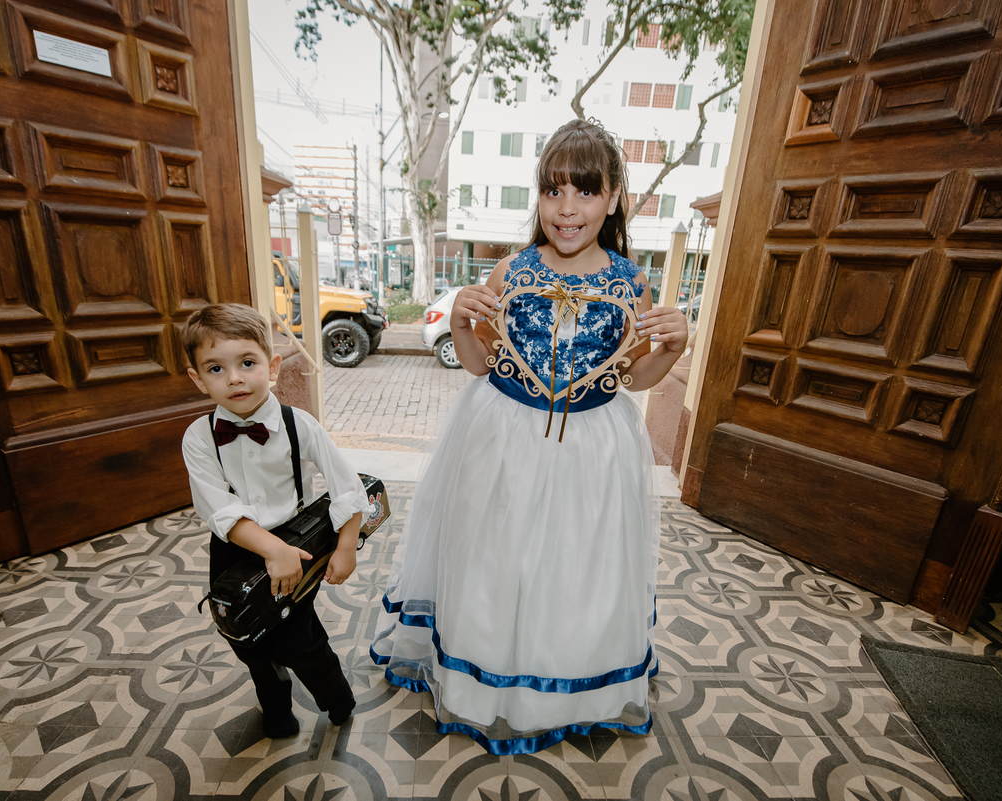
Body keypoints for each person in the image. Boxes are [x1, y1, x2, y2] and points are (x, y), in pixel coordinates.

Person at [371, 119, 688, 754]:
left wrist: (672, 348)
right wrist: (463, 318)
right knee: (499, 555)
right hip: (506, 437)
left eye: (586, 192)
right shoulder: (511, 273)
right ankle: (486, 677)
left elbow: (631, 375)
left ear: (615, 196)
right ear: (538, 197)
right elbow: (479, 362)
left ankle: (571, 678)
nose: (567, 209)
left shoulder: (630, 283)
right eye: (552, 191)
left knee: (576, 561)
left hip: (593, 447)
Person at [181, 303, 369, 739]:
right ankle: (276, 708)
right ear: (197, 379)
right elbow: (218, 508)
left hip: (297, 545)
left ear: (273, 366)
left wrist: (345, 547)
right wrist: (270, 550)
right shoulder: (199, 437)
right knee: (248, 638)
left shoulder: (297, 424)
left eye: (247, 363)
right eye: (215, 368)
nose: (234, 378)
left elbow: (347, 485)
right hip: (234, 549)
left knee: (298, 639)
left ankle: (337, 699)